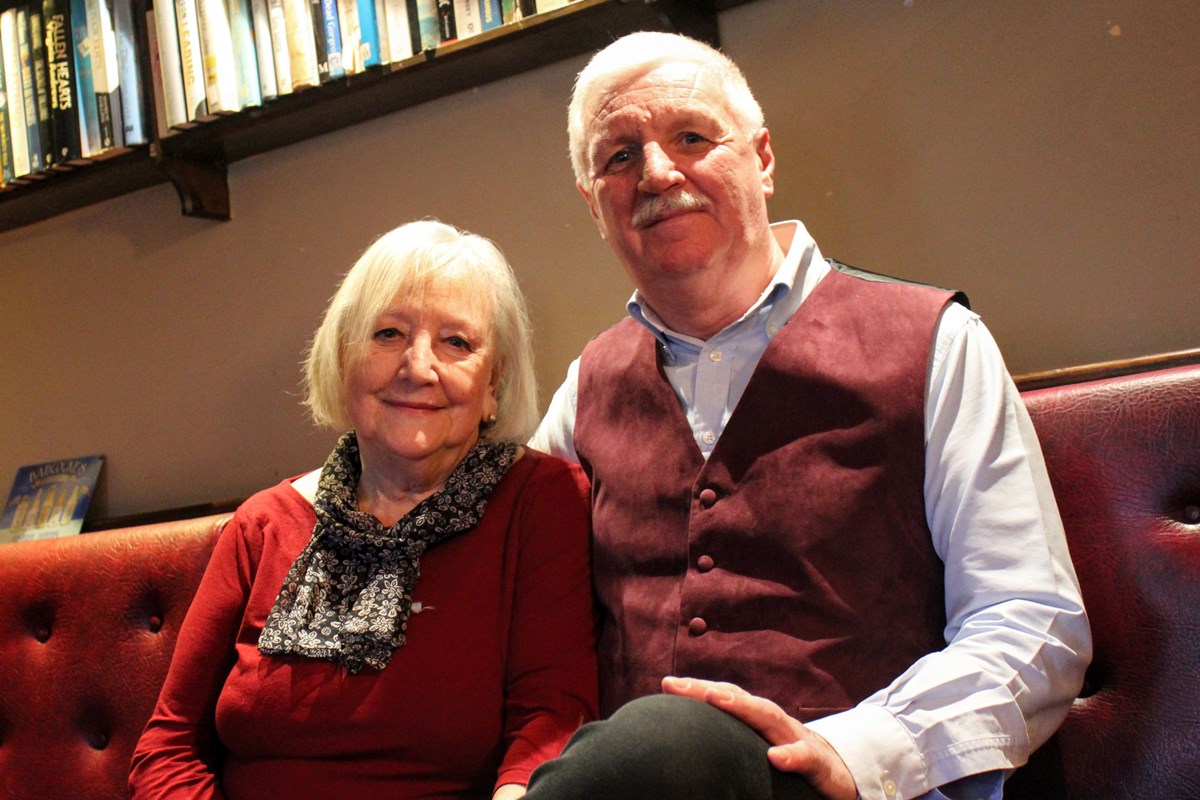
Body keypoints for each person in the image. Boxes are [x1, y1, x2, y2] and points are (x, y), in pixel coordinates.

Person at [525, 31, 1092, 800]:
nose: (657, 172)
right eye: (619, 156)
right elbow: (512, 602)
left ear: (761, 159)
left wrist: (852, 750)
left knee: (668, 739)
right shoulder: (585, 390)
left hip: (856, 786)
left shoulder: (935, 343)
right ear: (596, 205)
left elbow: (1032, 623)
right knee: (653, 746)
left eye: (690, 136)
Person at [130, 220, 598, 800]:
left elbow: (551, 724)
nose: (417, 367)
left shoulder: (541, 502)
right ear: (343, 358)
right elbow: (168, 748)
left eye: (456, 343)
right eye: (388, 334)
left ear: (493, 387)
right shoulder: (261, 525)